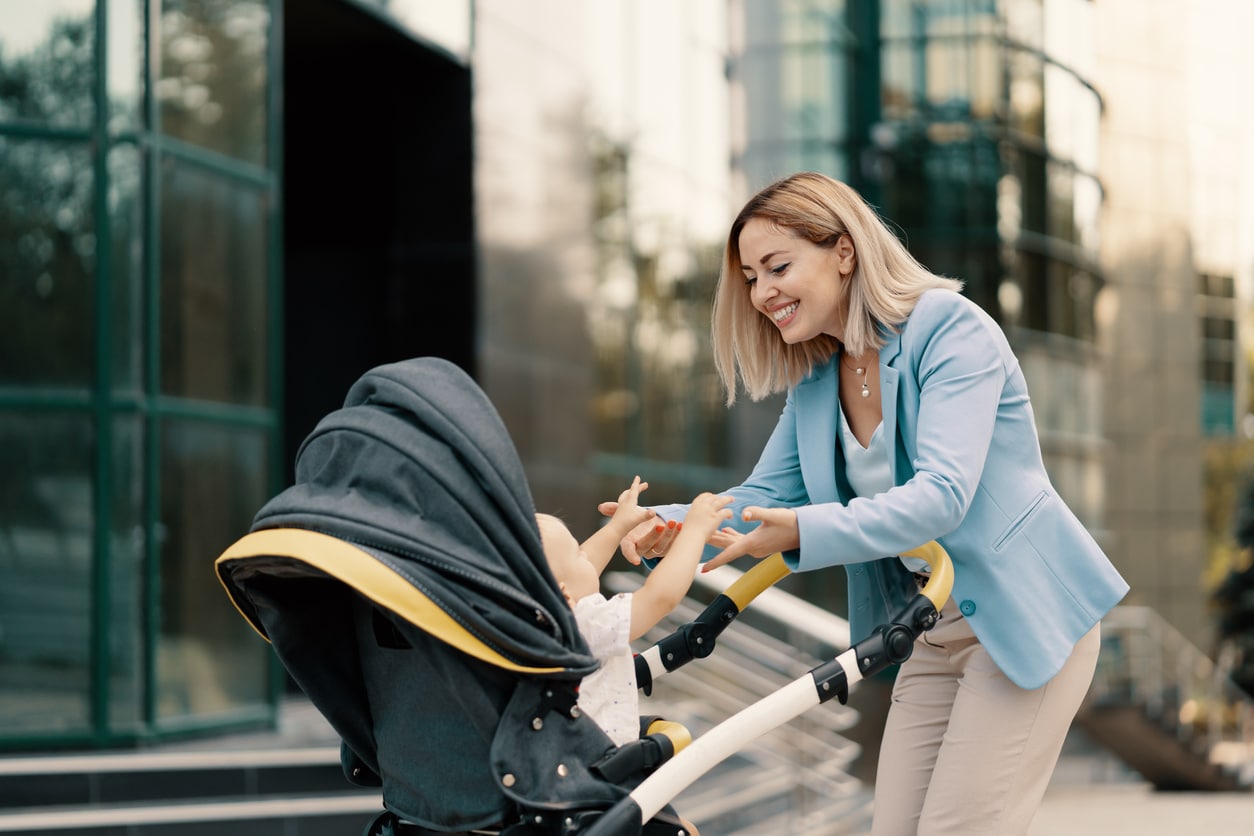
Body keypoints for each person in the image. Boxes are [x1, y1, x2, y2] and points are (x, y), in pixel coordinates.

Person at [604, 172, 1130, 835]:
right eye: (750, 277)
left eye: (777, 267)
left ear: (844, 252)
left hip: (1024, 618)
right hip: (935, 630)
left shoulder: (950, 331)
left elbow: (941, 497)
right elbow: (763, 499)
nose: (762, 292)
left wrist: (800, 530)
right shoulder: (818, 382)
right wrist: (677, 525)